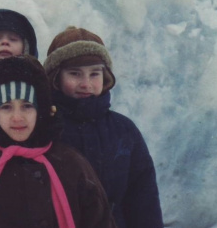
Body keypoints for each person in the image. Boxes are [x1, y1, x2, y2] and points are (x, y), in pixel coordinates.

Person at [0, 55, 115, 228]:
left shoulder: (71, 163)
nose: (17, 117)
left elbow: (100, 220)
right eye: (6, 107)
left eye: (27, 106)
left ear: (41, 110)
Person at [43, 27, 163, 228]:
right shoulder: (44, 127)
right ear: (56, 77)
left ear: (105, 76)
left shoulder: (124, 130)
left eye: (94, 74)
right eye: (75, 74)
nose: (86, 83)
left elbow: (143, 197)